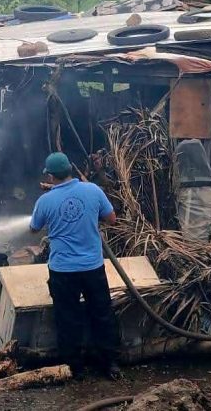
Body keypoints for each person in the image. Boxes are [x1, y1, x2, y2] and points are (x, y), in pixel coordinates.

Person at [30, 151, 121, 378]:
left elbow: (34, 228)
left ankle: (75, 368)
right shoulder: (93, 190)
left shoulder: (45, 201)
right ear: (70, 170)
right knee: (101, 313)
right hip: (92, 267)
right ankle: (109, 364)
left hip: (63, 271)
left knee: (67, 318)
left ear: (50, 176)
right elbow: (112, 219)